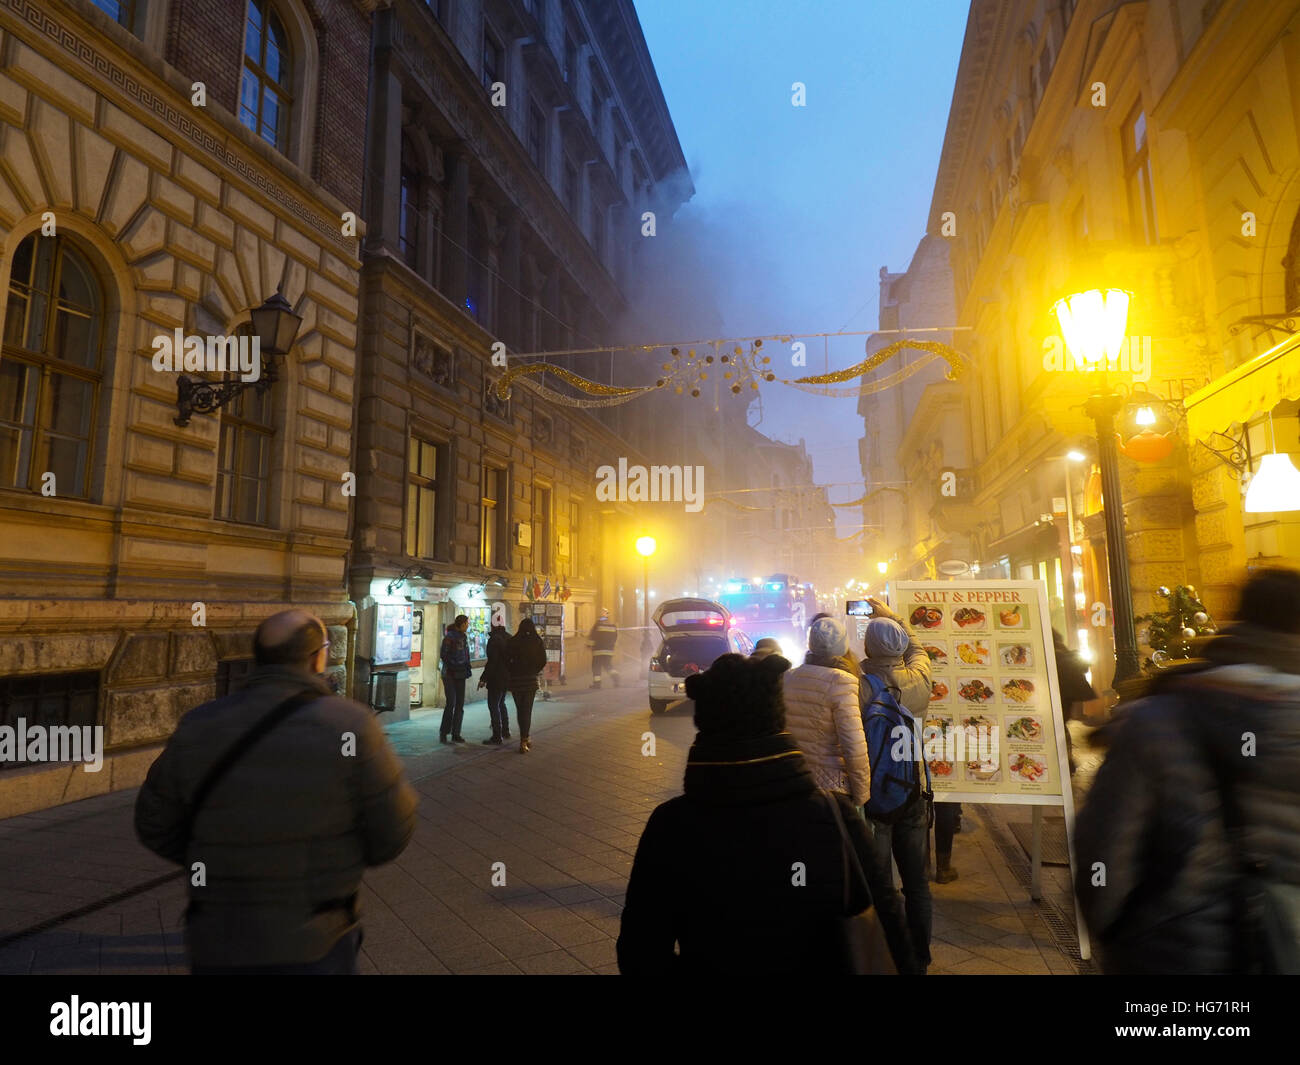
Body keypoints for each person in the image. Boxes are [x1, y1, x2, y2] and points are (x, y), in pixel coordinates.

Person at [134, 609, 418, 974]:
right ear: (317, 656)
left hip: (217, 936)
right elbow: (393, 832)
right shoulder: (352, 725)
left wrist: (213, 860)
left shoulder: (199, 724)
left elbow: (154, 823)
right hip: (317, 937)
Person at [1074, 568, 1300, 975]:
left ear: (1239, 620)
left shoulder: (1159, 718)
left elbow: (1104, 853)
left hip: (1172, 952)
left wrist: (1115, 937)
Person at [617, 653, 877, 974]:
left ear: (704, 722)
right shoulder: (833, 815)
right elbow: (884, 917)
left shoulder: (670, 827)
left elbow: (639, 950)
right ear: (777, 718)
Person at [858, 595, 936, 974]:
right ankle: (918, 958)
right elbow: (918, 648)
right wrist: (895, 618)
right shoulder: (919, 680)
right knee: (917, 883)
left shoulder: (857, 685)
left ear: (867, 646)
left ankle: (888, 956)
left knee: (882, 886)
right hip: (911, 790)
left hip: (874, 795)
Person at [1052, 627, 1098, 775]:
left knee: (1059, 727)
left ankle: (1067, 762)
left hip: (1060, 695)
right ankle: (1068, 762)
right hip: (1066, 696)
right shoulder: (1063, 652)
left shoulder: (1055, 654)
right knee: (1061, 726)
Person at [507, 617, 548, 753]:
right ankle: (525, 739)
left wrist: (513, 671)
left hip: (516, 681)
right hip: (530, 681)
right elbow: (543, 660)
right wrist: (534, 670)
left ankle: (524, 737)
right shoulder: (537, 642)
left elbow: (507, 660)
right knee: (527, 710)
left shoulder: (513, 641)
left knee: (520, 710)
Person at [439, 614, 472, 744]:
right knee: (451, 703)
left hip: (461, 674)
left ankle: (456, 733)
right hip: (450, 675)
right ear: (461, 624)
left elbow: (466, 654)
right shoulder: (449, 637)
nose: (468, 626)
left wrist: (466, 667)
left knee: (459, 704)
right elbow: (444, 655)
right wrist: (455, 665)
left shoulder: (464, 637)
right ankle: (444, 731)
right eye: (466, 623)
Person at [477, 621, 511, 744]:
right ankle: (505, 731)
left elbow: (492, 662)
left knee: (493, 705)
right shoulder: (509, 637)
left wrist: (483, 678)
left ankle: (497, 735)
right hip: (507, 676)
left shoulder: (494, 640)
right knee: (501, 703)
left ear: (492, 626)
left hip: (496, 678)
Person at [589, 609, 620, 689]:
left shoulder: (597, 625)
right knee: (608, 665)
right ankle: (616, 677)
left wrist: (590, 645)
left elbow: (592, 636)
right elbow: (615, 638)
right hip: (609, 651)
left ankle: (597, 684)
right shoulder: (613, 626)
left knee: (596, 666)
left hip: (598, 651)